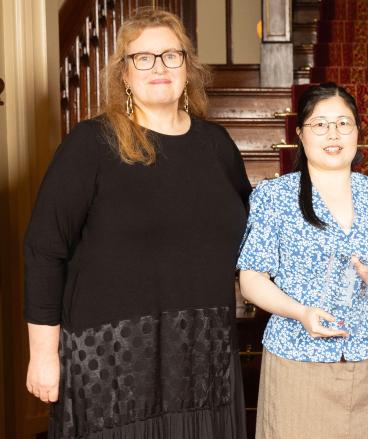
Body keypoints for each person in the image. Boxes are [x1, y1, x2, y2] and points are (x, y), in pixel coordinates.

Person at [24, 8, 250, 438]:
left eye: (171, 55)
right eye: (142, 58)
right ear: (124, 74)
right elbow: (43, 250)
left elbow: (255, 239)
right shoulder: (91, 144)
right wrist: (44, 355)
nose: (159, 67)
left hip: (203, 364)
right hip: (114, 369)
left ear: (189, 68)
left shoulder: (217, 146)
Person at [237, 82, 368, 439]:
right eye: (320, 124)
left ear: (357, 132)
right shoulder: (274, 197)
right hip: (296, 360)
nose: (333, 133)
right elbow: (251, 280)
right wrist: (302, 313)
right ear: (301, 135)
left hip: (367, 360)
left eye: (343, 123)